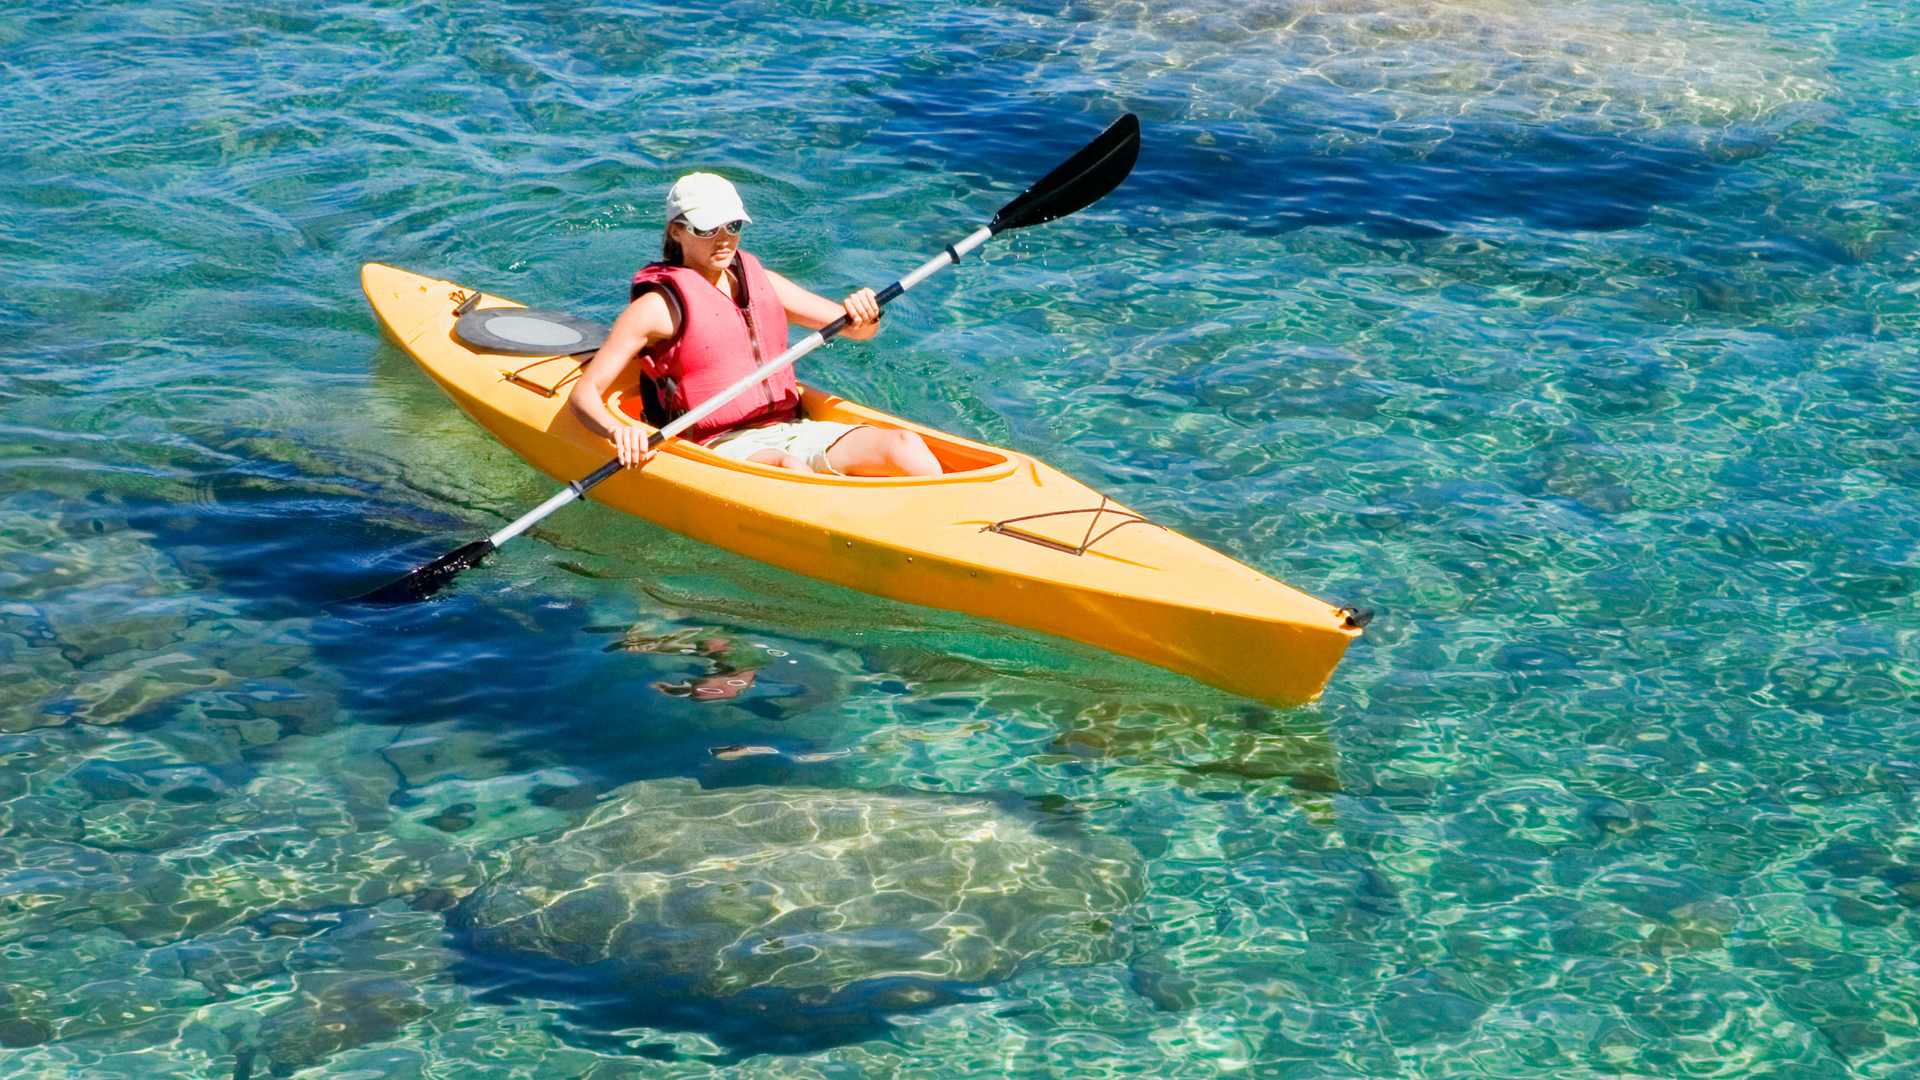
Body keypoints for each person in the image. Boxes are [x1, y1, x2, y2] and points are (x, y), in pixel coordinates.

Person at [568, 172, 942, 476]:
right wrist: (619, 431)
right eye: (707, 229)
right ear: (676, 231)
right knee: (789, 467)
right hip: (720, 444)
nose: (724, 239)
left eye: (732, 226)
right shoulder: (655, 308)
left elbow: (859, 331)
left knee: (904, 447)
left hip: (793, 428)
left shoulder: (761, 281)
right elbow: (584, 396)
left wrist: (866, 314)